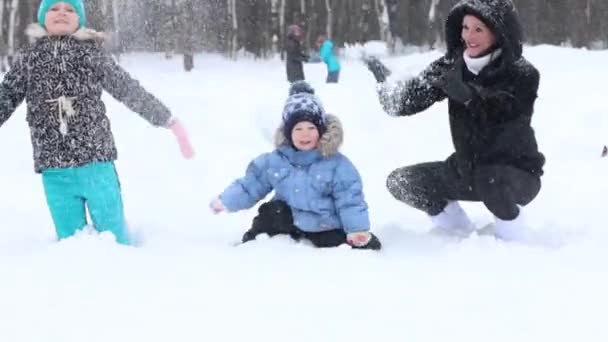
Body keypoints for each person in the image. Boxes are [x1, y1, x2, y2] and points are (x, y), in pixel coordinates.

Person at [0, 0, 194, 244]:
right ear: (42, 18)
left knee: (114, 237)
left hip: (96, 163)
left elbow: (127, 88)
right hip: (53, 169)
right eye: (54, 8)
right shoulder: (28, 60)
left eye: (70, 9)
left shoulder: (90, 54)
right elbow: (5, 96)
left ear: (79, 19)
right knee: (70, 242)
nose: (62, 13)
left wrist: (166, 119)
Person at [365, 0, 544, 241]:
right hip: (466, 169)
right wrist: (387, 86)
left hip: (516, 173)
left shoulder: (523, 73)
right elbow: (407, 101)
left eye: (479, 29)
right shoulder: (453, 65)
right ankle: (457, 232)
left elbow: (511, 115)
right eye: (465, 27)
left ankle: (514, 239)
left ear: (499, 31)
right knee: (403, 183)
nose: (469, 35)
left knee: (488, 178)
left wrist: (471, 98)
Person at [210, 81, 381, 250]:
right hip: (288, 221)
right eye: (298, 129)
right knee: (269, 212)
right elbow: (251, 184)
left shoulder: (336, 164)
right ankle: (249, 245)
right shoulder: (275, 160)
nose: (304, 134)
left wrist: (356, 229)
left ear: (321, 131)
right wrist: (226, 201)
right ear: (288, 132)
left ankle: (361, 241)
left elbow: (349, 199)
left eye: (311, 128)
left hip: (323, 225)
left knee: (343, 241)